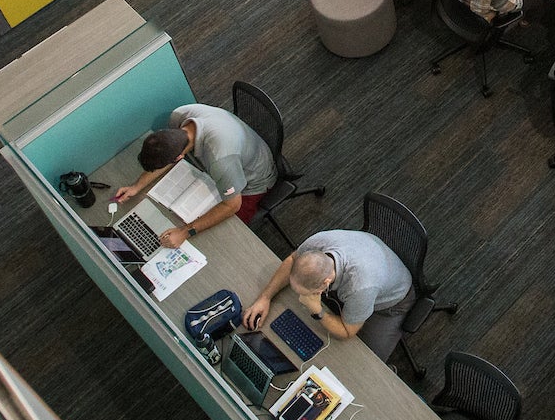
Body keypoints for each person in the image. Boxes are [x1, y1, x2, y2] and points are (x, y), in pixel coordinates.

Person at [108, 102, 277, 246]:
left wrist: (184, 232)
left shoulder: (220, 159)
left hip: (254, 179)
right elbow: (167, 154)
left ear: (180, 157)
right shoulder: (179, 116)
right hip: (232, 151)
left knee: (222, 237)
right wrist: (136, 187)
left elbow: (232, 205)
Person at [243, 228, 415, 358]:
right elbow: (292, 260)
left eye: (307, 293)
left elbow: (347, 331)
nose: (301, 298)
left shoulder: (360, 287)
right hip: (372, 257)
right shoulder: (317, 243)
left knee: (366, 357)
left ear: (325, 283)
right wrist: (265, 298)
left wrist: (317, 311)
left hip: (392, 303)